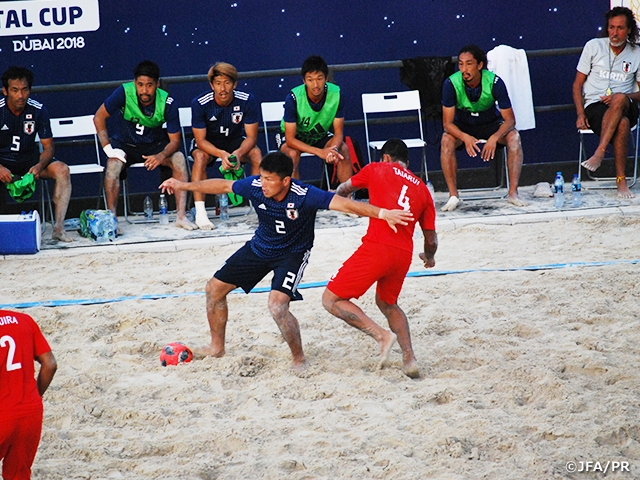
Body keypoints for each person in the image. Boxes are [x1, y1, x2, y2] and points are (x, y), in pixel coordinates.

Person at [160, 151, 412, 370]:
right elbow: (223, 186)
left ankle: (299, 359)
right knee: (213, 289)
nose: (263, 184)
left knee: (277, 306)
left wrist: (382, 213)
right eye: (261, 177)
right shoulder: (256, 186)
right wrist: (183, 185)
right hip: (260, 247)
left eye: (269, 179)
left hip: (292, 254)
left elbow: (346, 204)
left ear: (286, 181)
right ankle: (217, 347)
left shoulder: (306, 195)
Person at [322, 139, 437, 379]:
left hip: (377, 247)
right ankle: (409, 358)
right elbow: (431, 239)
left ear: (385, 157)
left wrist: (338, 200)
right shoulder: (424, 190)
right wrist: (429, 257)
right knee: (388, 303)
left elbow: (345, 189)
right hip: (403, 254)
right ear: (407, 162)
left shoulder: (377, 168)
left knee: (331, 299)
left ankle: (381, 336)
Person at [93, 60, 197, 229]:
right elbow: (98, 117)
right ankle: (111, 220)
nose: (144, 90)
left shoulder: (168, 102)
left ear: (157, 84)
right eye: (140, 85)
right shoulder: (124, 92)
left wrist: (161, 155)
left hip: (155, 146)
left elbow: (175, 141)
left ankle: (181, 216)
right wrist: (107, 149)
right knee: (112, 164)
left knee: (178, 158)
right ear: (135, 83)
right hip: (126, 144)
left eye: (149, 85)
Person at [440, 44, 527, 211]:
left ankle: (513, 193)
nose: (464, 69)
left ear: (480, 65)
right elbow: (447, 123)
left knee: (514, 137)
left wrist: (494, 138)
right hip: (463, 126)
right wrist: (465, 137)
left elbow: (510, 120)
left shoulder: (495, 82)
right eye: (460, 64)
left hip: (490, 125)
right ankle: (453, 196)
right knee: (446, 140)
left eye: (469, 64)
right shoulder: (450, 84)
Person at [573, 6, 640, 199]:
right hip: (596, 106)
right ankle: (621, 179)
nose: (614, 33)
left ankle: (600, 152)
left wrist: (624, 96)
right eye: (611, 27)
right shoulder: (593, 46)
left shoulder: (636, 53)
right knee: (623, 123)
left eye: (620, 28)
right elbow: (577, 85)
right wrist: (580, 114)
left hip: (627, 104)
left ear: (628, 30)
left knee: (620, 98)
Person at [0, 66, 73, 242]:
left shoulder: (38, 111)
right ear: (5, 91)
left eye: (25, 90)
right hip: (3, 163)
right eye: (15, 90)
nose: (20, 95)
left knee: (62, 170)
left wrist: (39, 166)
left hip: (29, 162)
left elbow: (48, 147)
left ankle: (58, 228)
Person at [190, 62, 262, 230]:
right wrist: (221, 154)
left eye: (227, 83)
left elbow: (251, 137)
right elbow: (200, 141)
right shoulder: (200, 103)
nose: (223, 88)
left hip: (234, 140)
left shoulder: (246, 100)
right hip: (209, 142)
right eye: (218, 83)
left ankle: (260, 206)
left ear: (234, 84)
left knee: (256, 154)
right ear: (211, 85)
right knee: (199, 157)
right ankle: (201, 213)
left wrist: (237, 153)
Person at [0, 309, 57, 479]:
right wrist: (34, 396)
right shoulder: (24, 320)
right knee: (19, 475)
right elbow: (50, 364)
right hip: (29, 413)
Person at [279, 55, 352, 185]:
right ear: (304, 81)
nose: (316, 84)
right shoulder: (293, 98)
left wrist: (333, 151)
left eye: (319, 78)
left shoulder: (337, 94)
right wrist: (320, 152)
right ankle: (295, 201)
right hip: (295, 137)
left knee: (343, 150)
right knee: (292, 155)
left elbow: (338, 132)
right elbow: (290, 140)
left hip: (319, 135)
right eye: (310, 80)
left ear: (326, 78)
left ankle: (346, 198)